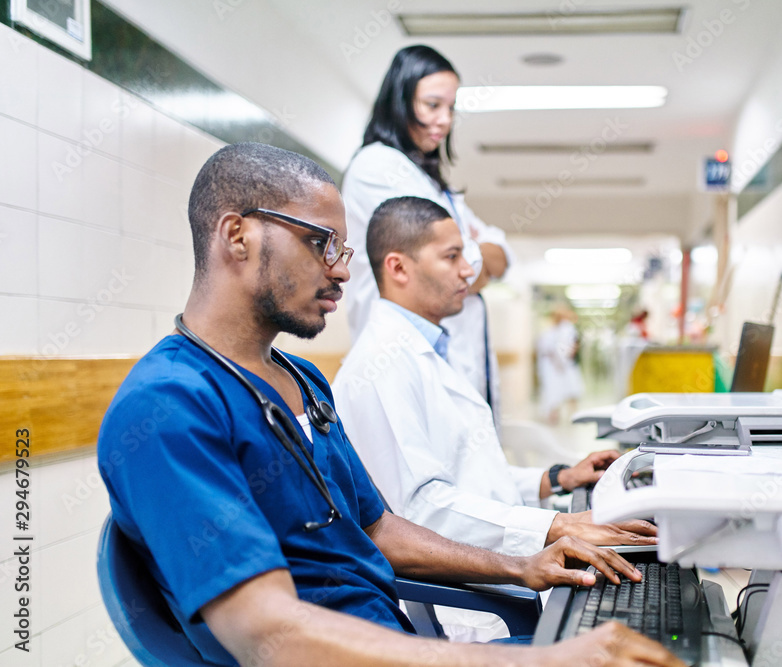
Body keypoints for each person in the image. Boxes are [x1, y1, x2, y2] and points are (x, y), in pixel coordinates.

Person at [97, 143, 681, 666]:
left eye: (344, 248)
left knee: (666, 642)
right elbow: (268, 633)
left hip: (389, 640)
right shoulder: (169, 407)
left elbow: (377, 528)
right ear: (237, 235)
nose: (344, 270)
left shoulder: (302, 380)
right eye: (322, 243)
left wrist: (523, 563)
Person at [333, 196, 656, 555]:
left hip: (498, 558)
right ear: (398, 268)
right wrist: (558, 525)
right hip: (467, 593)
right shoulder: (381, 365)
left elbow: (471, 477)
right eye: (451, 257)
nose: (468, 271)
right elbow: (423, 512)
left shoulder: (426, 350)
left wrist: (556, 478)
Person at [341, 44, 509, 428]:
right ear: (400, 102)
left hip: (449, 367)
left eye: (451, 108)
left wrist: (481, 252)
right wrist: (478, 252)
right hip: (402, 365)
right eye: (432, 105)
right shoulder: (378, 167)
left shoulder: (434, 185)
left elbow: (502, 254)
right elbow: (463, 269)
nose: (444, 120)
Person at [536, 306, 585, 425]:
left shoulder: (567, 329)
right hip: (551, 367)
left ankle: (573, 415)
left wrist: (563, 359)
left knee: (571, 390)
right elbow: (545, 349)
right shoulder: (549, 332)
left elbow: (569, 347)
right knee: (554, 392)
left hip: (564, 366)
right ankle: (554, 415)